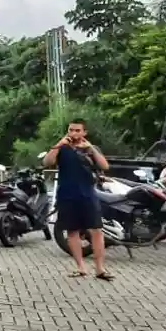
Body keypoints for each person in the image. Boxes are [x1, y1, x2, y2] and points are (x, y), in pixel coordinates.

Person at [42, 118, 113, 280]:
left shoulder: (90, 149)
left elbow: (104, 166)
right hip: (67, 195)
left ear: (84, 132)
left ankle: (100, 269)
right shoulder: (62, 147)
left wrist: (91, 149)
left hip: (88, 194)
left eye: (77, 130)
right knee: (72, 232)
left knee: (96, 231)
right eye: (71, 130)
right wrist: (58, 145)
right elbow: (47, 162)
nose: (73, 133)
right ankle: (81, 267)